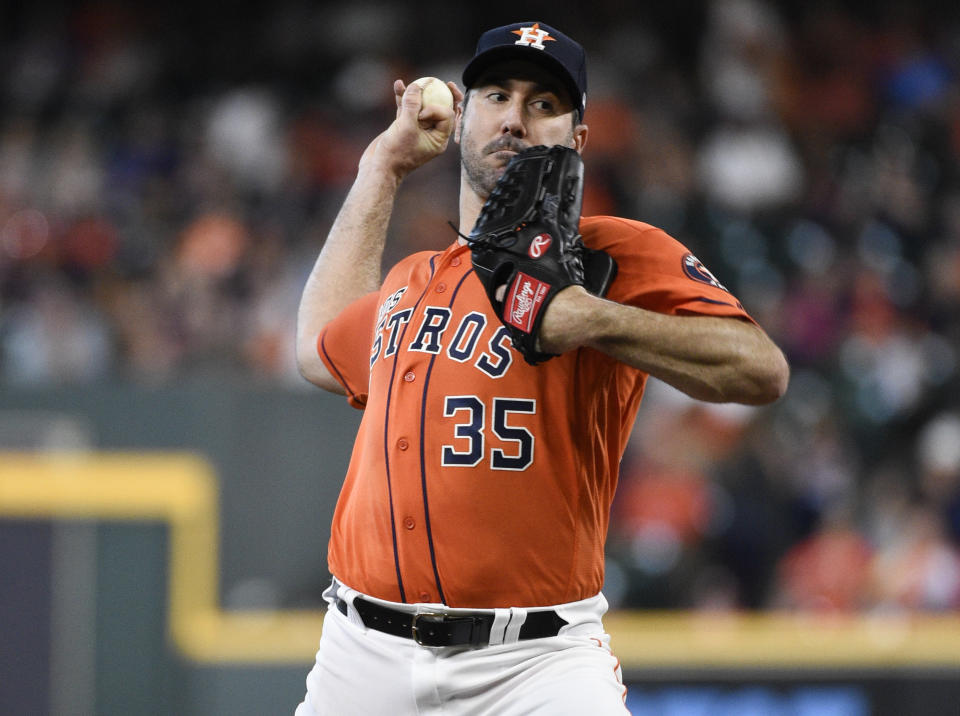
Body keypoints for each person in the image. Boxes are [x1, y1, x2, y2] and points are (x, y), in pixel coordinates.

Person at [294, 20, 789, 715]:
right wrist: (383, 166)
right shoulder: (414, 278)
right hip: (361, 653)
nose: (515, 120)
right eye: (497, 95)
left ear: (577, 139)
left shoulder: (604, 253)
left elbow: (760, 368)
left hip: (533, 663)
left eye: (544, 104)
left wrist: (589, 317)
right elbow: (317, 344)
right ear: (463, 118)